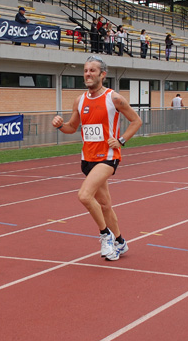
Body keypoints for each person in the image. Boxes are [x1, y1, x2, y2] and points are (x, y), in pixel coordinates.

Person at [51, 56, 142, 261]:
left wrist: (121, 140)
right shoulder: (79, 100)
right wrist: (59, 125)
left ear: (102, 74)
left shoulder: (114, 98)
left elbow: (136, 121)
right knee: (105, 205)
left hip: (108, 158)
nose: (88, 74)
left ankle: (105, 235)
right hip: (87, 159)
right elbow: (71, 128)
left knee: (84, 195)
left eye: (92, 70)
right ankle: (120, 241)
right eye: (85, 70)